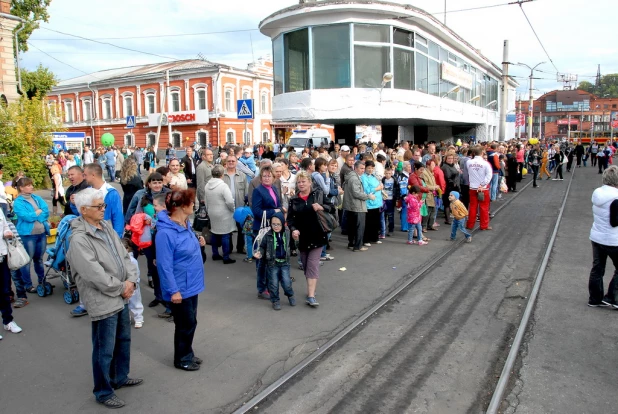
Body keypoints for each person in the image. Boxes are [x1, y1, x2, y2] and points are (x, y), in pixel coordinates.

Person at [67, 188, 142, 409]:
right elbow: (93, 274)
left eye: (103, 206)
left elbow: (124, 256)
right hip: (104, 298)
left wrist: (131, 280)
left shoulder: (106, 226)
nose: (103, 210)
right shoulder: (79, 239)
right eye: (98, 207)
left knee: (123, 340)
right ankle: (103, 391)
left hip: (121, 293)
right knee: (104, 348)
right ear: (83, 210)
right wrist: (122, 287)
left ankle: (120, 376)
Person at [156, 189, 206, 371]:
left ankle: (188, 352)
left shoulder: (185, 224)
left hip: (191, 283)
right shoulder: (165, 233)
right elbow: (164, 265)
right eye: (191, 203)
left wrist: (198, 242)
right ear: (183, 206)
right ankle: (182, 358)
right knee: (185, 324)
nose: (194, 205)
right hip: (180, 287)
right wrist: (173, 290)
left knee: (191, 322)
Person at [287, 171, 334, 307]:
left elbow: (331, 208)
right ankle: (311, 288)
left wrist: (321, 206)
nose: (301, 184)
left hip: (318, 235)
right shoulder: (294, 200)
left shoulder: (318, 195)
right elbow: (290, 220)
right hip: (302, 238)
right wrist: (293, 229)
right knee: (306, 266)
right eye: (299, 182)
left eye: (303, 181)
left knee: (312, 265)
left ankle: (311, 295)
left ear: (309, 183)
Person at [13, 177, 50, 295]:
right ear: (21, 188)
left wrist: (36, 215)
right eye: (28, 185)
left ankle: (42, 281)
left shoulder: (36, 198)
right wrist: (37, 213)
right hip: (28, 235)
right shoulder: (18, 202)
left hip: (41, 233)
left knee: (39, 259)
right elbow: (26, 217)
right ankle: (28, 285)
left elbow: (45, 211)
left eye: (31, 185)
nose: (31, 187)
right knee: (27, 261)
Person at [588, 165, 618, 308]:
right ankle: (612, 296)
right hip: (613, 239)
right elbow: (615, 221)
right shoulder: (616, 197)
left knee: (597, 269)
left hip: (597, 236)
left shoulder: (597, 193)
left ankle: (595, 298)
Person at [251, 166, 282, 300]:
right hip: (261, 229)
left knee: (271, 258)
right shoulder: (258, 191)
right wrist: (273, 212)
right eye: (264, 176)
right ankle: (261, 289)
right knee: (262, 260)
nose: (267, 178)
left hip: (272, 227)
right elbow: (256, 211)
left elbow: (277, 205)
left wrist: (280, 210)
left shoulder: (274, 188)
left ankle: (270, 285)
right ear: (261, 177)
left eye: (269, 176)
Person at [254, 212, 295, 310]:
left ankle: (290, 295)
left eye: (278, 224)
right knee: (273, 284)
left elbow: (294, 245)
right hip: (272, 264)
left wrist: (296, 239)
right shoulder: (268, 235)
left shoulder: (287, 233)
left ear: (283, 223)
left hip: (285, 263)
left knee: (287, 282)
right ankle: (275, 300)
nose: (276, 226)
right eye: (273, 224)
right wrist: (260, 253)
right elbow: (262, 247)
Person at [205, 165, 236, 264]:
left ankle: (215, 254)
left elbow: (206, 200)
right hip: (224, 213)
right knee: (225, 234)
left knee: (214, 232)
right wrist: (232, 209)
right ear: (222, 174)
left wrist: (208, 210)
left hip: (212, 211)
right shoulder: (223, 186)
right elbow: (230, 201)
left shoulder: (207, 185)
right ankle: (226, 256)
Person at [84, 164, 124, 238]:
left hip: (107, 235)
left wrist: (117, 238)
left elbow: (118, 217)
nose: (84, 178)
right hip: (90, 234)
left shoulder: (111, 192)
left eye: (85, 175)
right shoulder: (87, 191)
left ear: (93, 175)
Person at [0, 208, 22, 339]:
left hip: (2, 255)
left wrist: (7, 231)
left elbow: (5, 225)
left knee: (5, 290)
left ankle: (8, 321)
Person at [343, 161, 375, 252]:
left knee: (352, 226)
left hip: (351, 205)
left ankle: (352, 244)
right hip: (357, 206)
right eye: (361, 168)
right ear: (355, 168)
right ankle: (358, 246)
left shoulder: (351, 176)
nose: (363, 170)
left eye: (363, 168)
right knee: (359, 227)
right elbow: (356, 193)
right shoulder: (354, 178)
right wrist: (369, 196)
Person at [223, 155, 249, 254]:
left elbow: (246, 191)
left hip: (240, 206)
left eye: (233, 161)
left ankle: (240, 247)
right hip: (226, 206)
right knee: (228, 228)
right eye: (229, 161)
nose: (231, 162)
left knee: (241, 228)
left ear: (236, 162)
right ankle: (229, 247)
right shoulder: (222, 175)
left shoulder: (242, 175)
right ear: (226, 162)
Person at [466, 147, 493, 231]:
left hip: (472, 187)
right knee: (484, 207)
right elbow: (489, 175)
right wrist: (483, 184)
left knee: (473, 207)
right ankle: (484, 225)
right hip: (483, 188)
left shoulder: (468, 162)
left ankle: (470, 225)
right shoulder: (485, 163)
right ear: (482, 153)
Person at [122, 238, 144, 329]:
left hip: (133, 285)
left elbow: (136, 273)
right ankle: (126, 318)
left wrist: (135, 284)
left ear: (127, 249)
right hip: (123, 285)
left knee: (135, 302)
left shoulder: (132, 260)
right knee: (124, 303)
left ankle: (138, 318)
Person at [360, 160, 383, 246]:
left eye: (372, 168)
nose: (370, 169)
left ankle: (375, 238)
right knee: (368, 222)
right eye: (369, 168)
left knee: (376, 222)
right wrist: (377, 189)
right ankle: (366, 239)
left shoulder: (374, 176)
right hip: (369, 203)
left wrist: (380, 187)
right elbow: (366, 190)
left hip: (376, 202)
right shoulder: (363, 177)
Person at [441, 152, 460, 225]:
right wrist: (453, 185)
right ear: (445, 159)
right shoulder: (445, 167)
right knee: (447, 203)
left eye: (451, 158)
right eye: (449, 158)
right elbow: (448, 177)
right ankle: (448, 219)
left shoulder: (452, 166)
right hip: (449, 187)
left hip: (454, 187)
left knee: (452, 203)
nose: (450, 160)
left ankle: (451, 218)